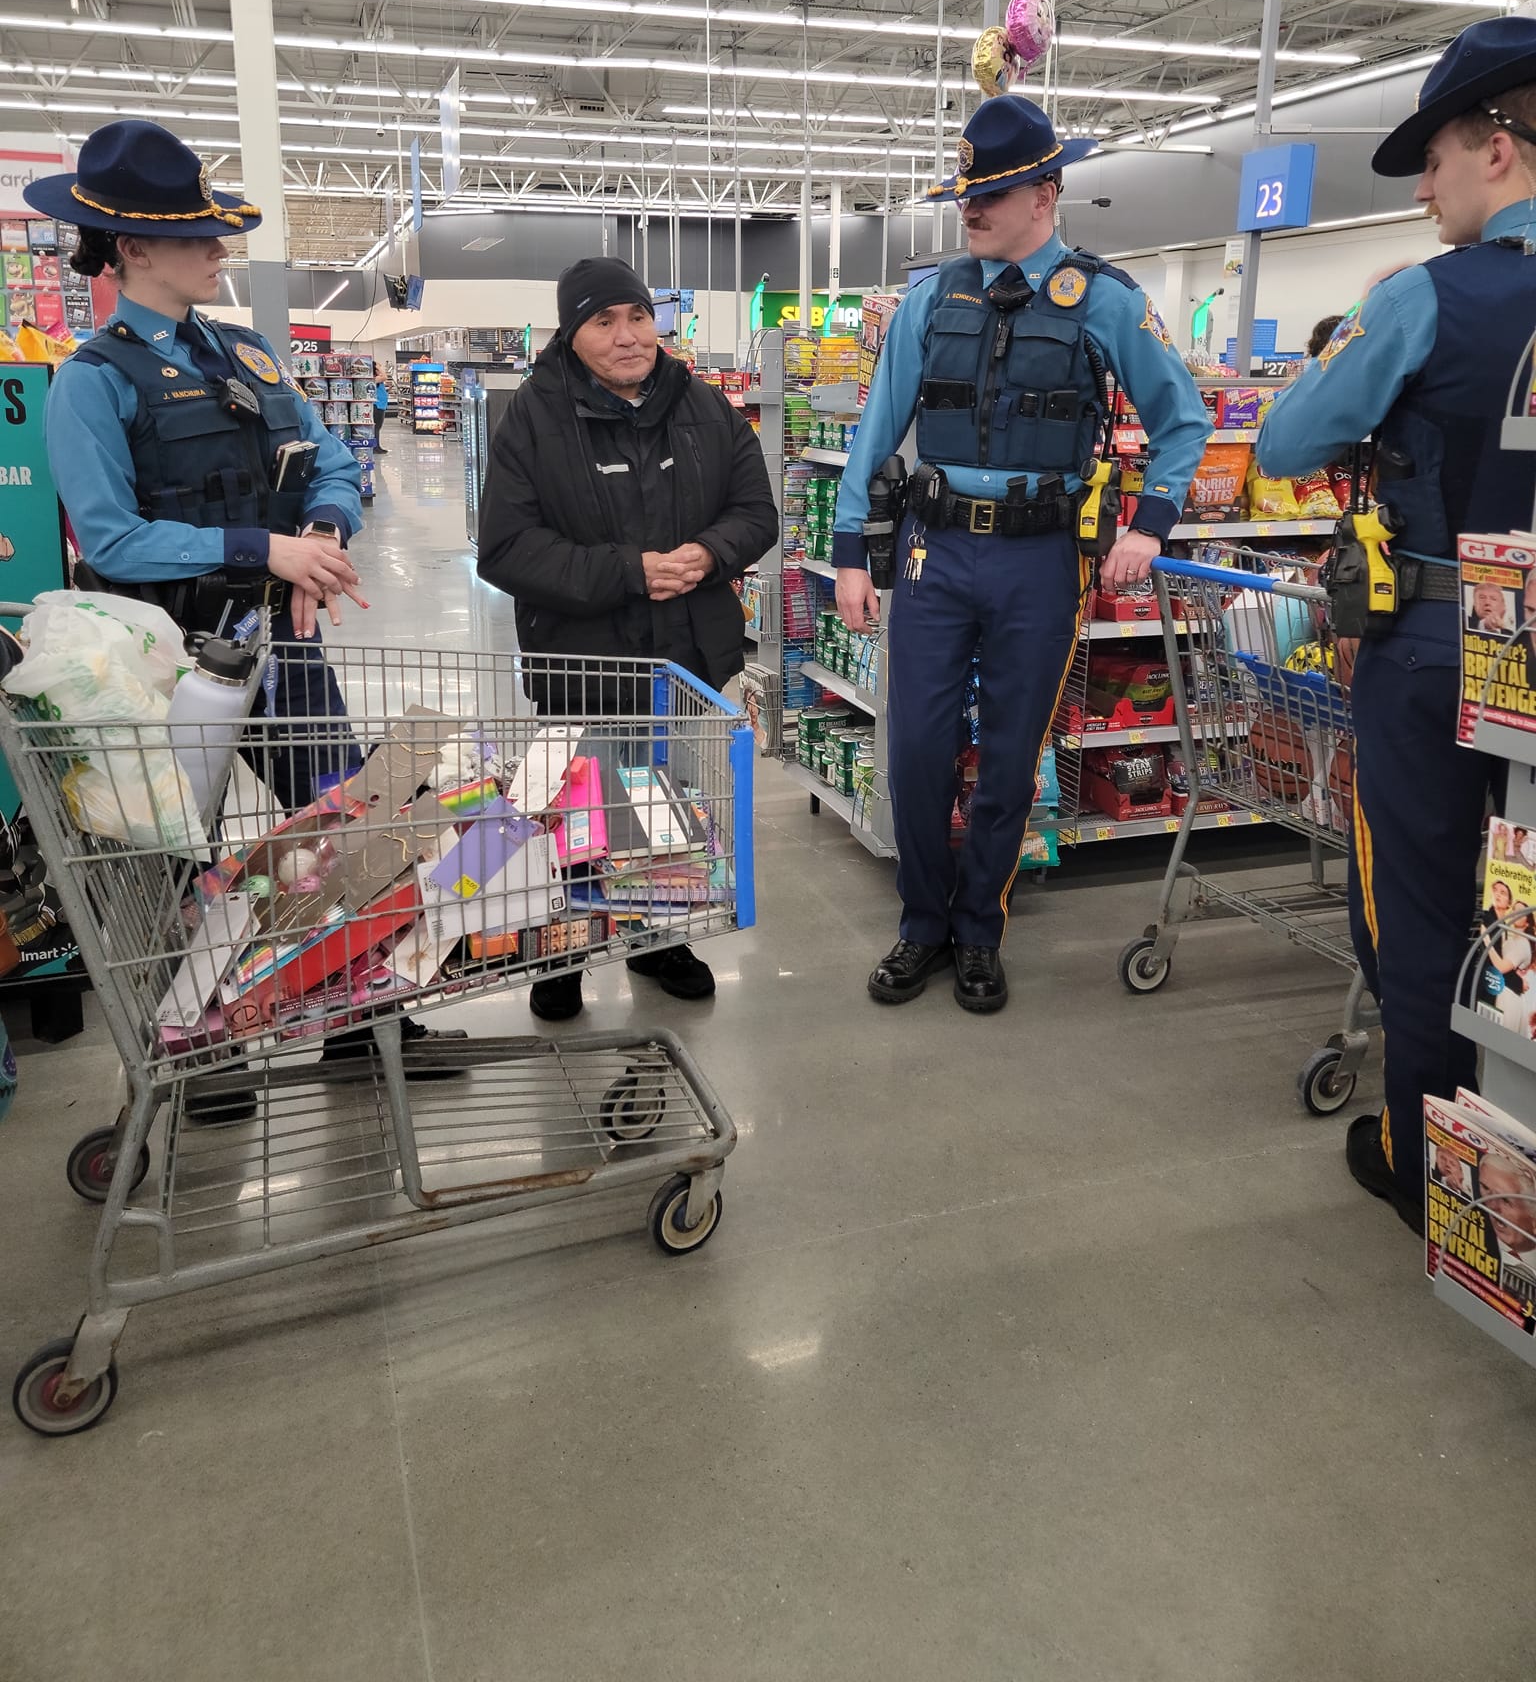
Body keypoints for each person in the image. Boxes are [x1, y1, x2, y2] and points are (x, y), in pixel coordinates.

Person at [36, 119, 463, 1108]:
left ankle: (364, 1021)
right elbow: (112, 540)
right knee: (169, 860)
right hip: (164, 666)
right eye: (197, 236)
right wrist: (261, 550)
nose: (219, 250)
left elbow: (335, 458)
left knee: (349, 828)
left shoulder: (248, 354)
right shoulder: (91, 383)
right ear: (133, 248)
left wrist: (319, 531)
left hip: (285, 644)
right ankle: (191, 1049)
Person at [832, 95, 1210, 1013]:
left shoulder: (1107, 300)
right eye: (966, 194)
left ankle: (978, 931)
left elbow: (1183, 421)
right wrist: (849, 553)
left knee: (1009, 757)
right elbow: (876, 430)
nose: (971, 210)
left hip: (1041, 562)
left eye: (991, 194)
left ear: (1046, 193)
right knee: (917, 749)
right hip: (934, 552)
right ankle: (922, 923)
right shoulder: (931, 300)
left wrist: (1149, 525)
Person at [1256, 17, 1536, 1234]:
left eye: (1433, 159)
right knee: (1527, 918)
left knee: (1418, 912)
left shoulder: (1425, 296)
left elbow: (1284, 442)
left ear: (1498, 148)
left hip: (1441, 649)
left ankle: (1437, 1169)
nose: (1423, 190)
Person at [476, 255, 778, 1021]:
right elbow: (506, 549)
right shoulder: (534, 418)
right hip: (584, 659)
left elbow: (755, 512)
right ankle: (565, 951)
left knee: (665, 805)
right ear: (571, 335)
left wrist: (709, 553)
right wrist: (629, 571)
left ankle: (656, 938)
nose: (627, 335)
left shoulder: (703, 406)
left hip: (685, 658)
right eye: (603, 321)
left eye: (638, 316)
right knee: (578, 810)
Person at [373, 364, 390, 452]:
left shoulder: (377, 379)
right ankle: (376, 447)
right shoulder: (374, 379)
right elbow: (385, 377)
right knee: (376, 427)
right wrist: (378, 367)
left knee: (377, 427)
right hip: (377, 405)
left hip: (380, 405)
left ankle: (376, 446)